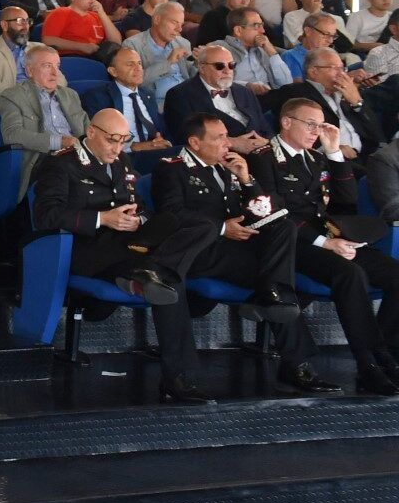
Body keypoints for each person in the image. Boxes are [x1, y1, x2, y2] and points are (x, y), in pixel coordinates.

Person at [33, 108, 216, 401]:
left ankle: (152, 269)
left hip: (131, 243)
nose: (117, 148)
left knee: (201, 224)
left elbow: (140, 204)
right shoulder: (61, 165)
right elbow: (47, 216)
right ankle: (179, 377)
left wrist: (138, 219)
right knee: (169, 280)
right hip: (91, 248)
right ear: (91, 132)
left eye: (123, 140)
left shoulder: (121, 162)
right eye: (112, 140)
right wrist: (104, 219)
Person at [151, 112, 337, 395]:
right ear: (194, 142)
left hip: (233, 254)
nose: (228, 143)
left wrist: (248, 180)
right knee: (274, 281)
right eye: (219, 138)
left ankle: (297, 364)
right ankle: (180, 378)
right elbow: (172, 215)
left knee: (281, 254)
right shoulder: (172, 169)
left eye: (227, 136)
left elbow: (263, 211)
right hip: (197, 252)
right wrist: (222, 228)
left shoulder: (229, 168)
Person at [247, 98, 399, 394]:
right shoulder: (263, 158)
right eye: (311, 124)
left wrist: (333, 152)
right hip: (289, 243)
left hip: (327, 236)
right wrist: (326, 242)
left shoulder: (315, 159)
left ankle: (386, 354)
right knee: (350, 274)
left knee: (395, 274)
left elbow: (346, 203)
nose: (316, 131)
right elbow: (275, 213)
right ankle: (367, 364)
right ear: (286, 122)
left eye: (320, 125)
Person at [0, 44, 91, 195]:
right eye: (47, 66)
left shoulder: (70, 95)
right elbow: (12, 134)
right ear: (29, 70)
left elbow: (89, 130)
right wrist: (60, 141)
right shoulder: (13, 96)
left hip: (79, 156)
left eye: (57, 66)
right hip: (43, 159)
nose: (55, 73)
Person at [264, 49, 383, 161]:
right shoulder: (296, 92)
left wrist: (357, 101)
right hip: (329, 160)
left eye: (342, 68)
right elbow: (297, 131)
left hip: (367, 155)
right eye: (335, 68)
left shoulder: (346, 95)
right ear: (313, 72)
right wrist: (331, 149)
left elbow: (377, 134)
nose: (341, 74)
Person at [164, 44, 273, 153]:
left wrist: (265, 142)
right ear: (202, 68)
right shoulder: (180, 95)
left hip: (262, 154)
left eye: (231, 65)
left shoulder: (244, 91)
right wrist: (231, 143)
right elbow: (186, 138)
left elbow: (265, 128)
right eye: (219, 66)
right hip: (222, 158)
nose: (227, 71)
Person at [80, 44, 172, 172]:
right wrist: (135, 146)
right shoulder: (97, 97)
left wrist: (162, 141)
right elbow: (98, 136)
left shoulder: (148, 95)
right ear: (113, 71)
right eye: (130, 64)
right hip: (123, 157)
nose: (138, 68)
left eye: (139, 63)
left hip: (155, 152)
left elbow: (161, 128)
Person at [123, 1, 194, 107]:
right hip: (160, 104)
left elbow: (190, 76)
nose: (179, 29)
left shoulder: (183, 43)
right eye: (174, 22)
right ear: (157, 19)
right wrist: (168, 63)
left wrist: (200, 63)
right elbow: (133, 82)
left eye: (181, 24)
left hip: (189, 99)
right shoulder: (132, 45)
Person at [217, 7, 294, 93]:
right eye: (256, 26)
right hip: (241, 99)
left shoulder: (264, 49)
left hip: (270, 97)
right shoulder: (220, 49)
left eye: (262, 25)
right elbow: (217, 81)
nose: (263, 31)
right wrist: (247, 86)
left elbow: (286, 83)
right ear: (238, 30)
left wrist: (271, 52)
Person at [40, 0, 122, 57]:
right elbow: (48, 40)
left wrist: (102, 13)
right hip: (71, 58)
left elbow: (116, 42)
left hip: (98, 57)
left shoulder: (97, 16)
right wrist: (81, 47)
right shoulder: (60, 13)